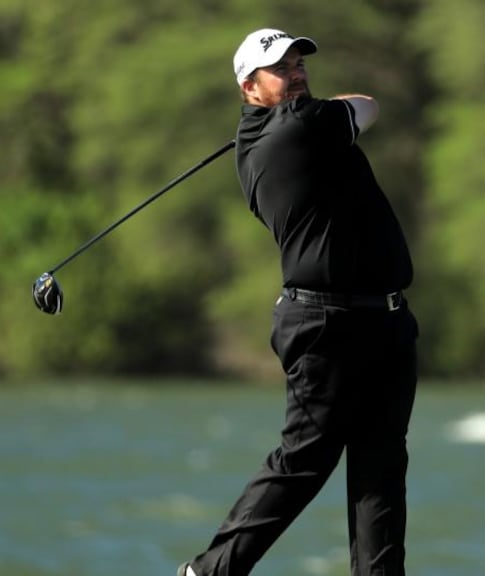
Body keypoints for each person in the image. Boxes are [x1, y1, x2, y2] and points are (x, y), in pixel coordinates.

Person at [178, 28, 418, 576]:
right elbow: (369, 106)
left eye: (299, 63)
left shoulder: (274, 133)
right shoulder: (298, 127)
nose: (297, 74)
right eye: (281, 69)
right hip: (328, 324)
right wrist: (323, 107)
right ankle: (210, 572)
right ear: (250, 88)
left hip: (382, 318)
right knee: (306, 459)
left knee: (381, 465)